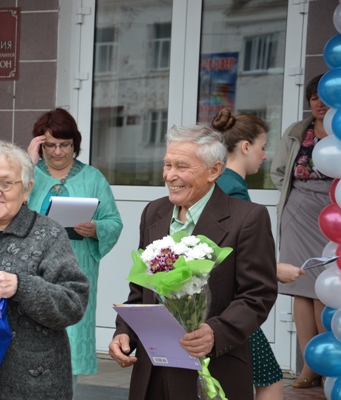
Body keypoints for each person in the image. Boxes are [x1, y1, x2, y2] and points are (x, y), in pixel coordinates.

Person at [108, 125, 278, 400]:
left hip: (216, 367)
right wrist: (124, 333)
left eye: (182, 167)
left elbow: (257, 295)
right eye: (167, 164)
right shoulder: (154, 212)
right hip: (153, 372)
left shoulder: (247, 218)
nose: (170, 175)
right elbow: (140, 291)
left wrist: (216, 332)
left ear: (214, 170)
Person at [0, 138, 90, 399]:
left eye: (6, 183)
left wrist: (22, 286)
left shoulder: (48, 234)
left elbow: (74, 302)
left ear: (27, 189)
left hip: (33, 381)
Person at [26, 108, 123, 384]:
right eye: (50, 145)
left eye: (64, 145)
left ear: (75, 144)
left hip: (77, 267)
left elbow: (114, 221)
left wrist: (96, 229)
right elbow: (11, 210)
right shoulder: (29, 175)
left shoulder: (93, 178)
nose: (58, 152)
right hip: (35, 268)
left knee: (72, 331)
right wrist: (27, 163)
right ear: (39, 145)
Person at [212, 108, 299, 400]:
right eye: (262, 148)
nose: (264, 156)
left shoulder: (220, 183)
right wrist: (274, 270)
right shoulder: (232, 189)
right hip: (234, 306)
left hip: (218, 305)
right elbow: (231, 251)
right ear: (246, 146)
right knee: (271, 379)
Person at [271, 73, 332, 389]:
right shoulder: (298, 130)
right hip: (298, 212)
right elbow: (279, 172)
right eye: (313, 98)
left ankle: (327, 360)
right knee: (300, 288)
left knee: (325, 286)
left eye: (323, 97)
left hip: (332, 214)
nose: (318, 104)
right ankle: (310, 367)